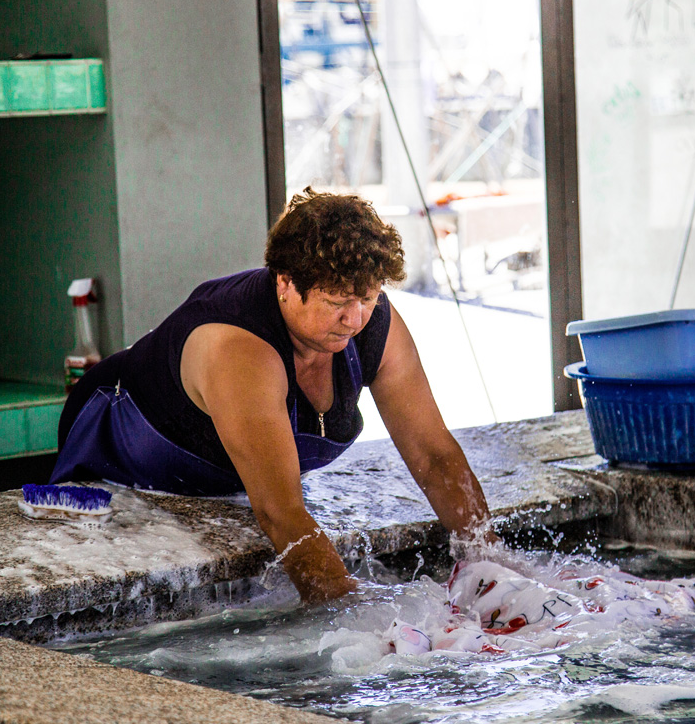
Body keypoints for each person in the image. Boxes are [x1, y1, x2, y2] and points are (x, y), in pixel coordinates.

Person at [53, 189, 495, 604]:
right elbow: (280, 513)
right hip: (116, 432)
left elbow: (435, 456)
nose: (354, 318)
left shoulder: (373, 318)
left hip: (224, 465)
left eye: (367, 297)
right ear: (285, 283)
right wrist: (356, 619)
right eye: (336, 300)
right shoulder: (239, 348)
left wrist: (495, 570)